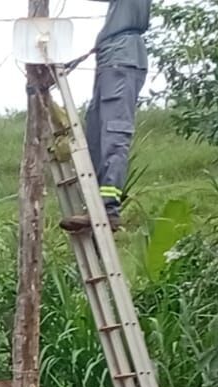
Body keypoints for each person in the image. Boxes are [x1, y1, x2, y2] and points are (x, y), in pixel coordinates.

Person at [62, 0, 150, 233]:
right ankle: (94, 206)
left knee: (113, 134)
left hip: (122, 59)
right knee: (95, 136)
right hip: (111, 60)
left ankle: (108, 209)